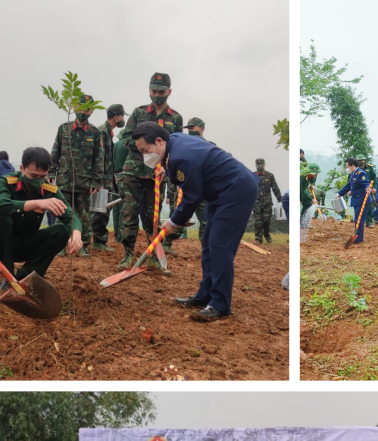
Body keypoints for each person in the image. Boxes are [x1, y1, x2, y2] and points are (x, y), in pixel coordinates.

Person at [134, 123, 258, 322]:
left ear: (158, 141)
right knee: (208, 244)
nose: (144, 155)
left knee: (219, 247)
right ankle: (205, 294)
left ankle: (220, 305)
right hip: (220, 191)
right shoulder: (173, 140)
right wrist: (167, 169)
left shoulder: (181, 157)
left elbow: (192, 197)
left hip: (236, 191)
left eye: (145, 150)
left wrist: (173, 222)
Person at [0, 146, 83, 288]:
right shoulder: (5, 181)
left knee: (62, 231)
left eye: (43, 176)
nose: (39, 181)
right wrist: (38, 203)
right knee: (1, 217)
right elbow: (1, 206)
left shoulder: (50, 190)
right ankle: (8, 276)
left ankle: (25, 276)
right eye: (34, 176)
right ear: (22, 168)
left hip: (26, 243)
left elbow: (70, 216)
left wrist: (76, 233)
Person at [117, 73, 184, 267]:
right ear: (149, 90)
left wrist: (164, 164)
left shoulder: (176, 118)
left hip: (157, 173)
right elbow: (126, 137)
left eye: (161, 91)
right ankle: (128, 254)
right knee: (129, 212)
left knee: (152, 215)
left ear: (169, 92)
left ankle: (153, 255)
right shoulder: (138, 114)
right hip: (133, 170)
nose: (157, 95)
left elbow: (177, 145)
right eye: (154, 91)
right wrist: (145, 146)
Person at [49, 94, 102, 255]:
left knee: (84, 214)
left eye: (87, 109)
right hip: (64, 180)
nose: (83, 112)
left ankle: (83, 245)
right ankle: (60, 245)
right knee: (62, 212)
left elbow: (98, 158)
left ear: (91, 111)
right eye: (80, 107)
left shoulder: (94, 132)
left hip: (84, 182)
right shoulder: (63, 129)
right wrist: (51, 171)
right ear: (74, 107)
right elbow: (55, 152)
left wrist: (96, 181)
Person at [85, 103, 125, 253]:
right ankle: (96, 240)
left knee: (104, 210)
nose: (122, 119)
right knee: (99, 210)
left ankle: (99, 240)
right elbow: (99, 157)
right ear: (116, 117)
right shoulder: (102, 131)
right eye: (121, 116)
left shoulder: (108, 132)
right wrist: (100, 179)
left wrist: (112, 175)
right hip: (101, 179)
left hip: (107, 177)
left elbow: (108, 158)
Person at [339, 157, 371, 242]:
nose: (347, 168)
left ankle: (358, 238)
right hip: (356, 199)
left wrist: (368, 188)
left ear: (352, 165)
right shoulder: (353, 174)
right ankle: (357, 236)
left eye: (347, 166)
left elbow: (366, 183)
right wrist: (339, 194)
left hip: (363, 200)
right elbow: (349, 185)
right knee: (357, 219)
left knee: (359, 220)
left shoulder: (361, 173)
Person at [253, 158, 282, 244]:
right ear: (256, 166)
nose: (260, 167)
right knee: (258, 221)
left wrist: (280, 200)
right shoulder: (252, 176)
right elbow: (248, 188)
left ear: (264, 165)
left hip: (267, 203)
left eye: (261, 165)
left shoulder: (270, 176)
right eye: (258, 166)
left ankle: (267, 235)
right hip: (256, 203)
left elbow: (275, 188)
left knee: (266, 221)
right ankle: (258, 238)